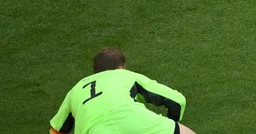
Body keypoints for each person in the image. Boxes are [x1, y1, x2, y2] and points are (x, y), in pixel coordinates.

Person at [49, 47, 197, 134]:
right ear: (121, 67)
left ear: (95, 72)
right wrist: (169, 123)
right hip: (136, 123)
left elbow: (56, 130)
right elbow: (177, 101)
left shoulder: (76, 89)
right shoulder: (125, 75)